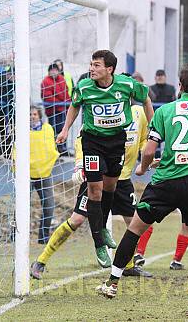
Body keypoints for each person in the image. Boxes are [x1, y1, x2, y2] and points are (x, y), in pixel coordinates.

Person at [98, 63, 188, 317]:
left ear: (179, 86)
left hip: (166, 183)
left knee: (135, 228)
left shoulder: (165, 110)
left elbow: (149, 149)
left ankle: (112, 283)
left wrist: (144, 168)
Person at [30, 104, 153, 279]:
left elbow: (143, 139)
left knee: (135, 223)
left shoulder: (139, 113)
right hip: (98, 177)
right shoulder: (102, 109)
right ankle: (40, 261)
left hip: (123, 179)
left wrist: (146, 155)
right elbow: (81, 139)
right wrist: (80, 164)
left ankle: (129, 265)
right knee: (77, 219)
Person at [56, 50, 153, 268]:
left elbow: (146, 98)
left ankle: (102, 228)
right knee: (95, 190)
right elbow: (74, 105)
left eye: (97, 65)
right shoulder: (84, 87)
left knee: (110, 187)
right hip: (93, 142)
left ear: (109, 69)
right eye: (91, 64)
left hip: (117, 141)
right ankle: (99, 242)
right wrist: (64, 130)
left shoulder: (126, 85)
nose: (92, 68)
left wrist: (153, 125)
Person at [29, 106, 59, 243]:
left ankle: (43, 237)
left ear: (39, 116)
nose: (32, 116)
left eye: (34, 114)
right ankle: (15, 236)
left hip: (44, 173)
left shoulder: (47, 129)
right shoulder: (21, 130)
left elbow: (51, 149)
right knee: (21, 207)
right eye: (29, 114)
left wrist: (48, 164)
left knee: (49, 206)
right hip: (26, 175)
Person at [41, 63, 71, 154]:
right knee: (53, 130)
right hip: (52, 111)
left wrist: (67, 103)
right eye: (52, 70)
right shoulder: (45, 81)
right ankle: (54, 150)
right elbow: (47, 97)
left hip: (63, 110)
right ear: (49, 71)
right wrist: (61, 102)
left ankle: (62, 149)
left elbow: (66, 93)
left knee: (63, 129)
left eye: (55, 70)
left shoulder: (62, 79)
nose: (54, 72)